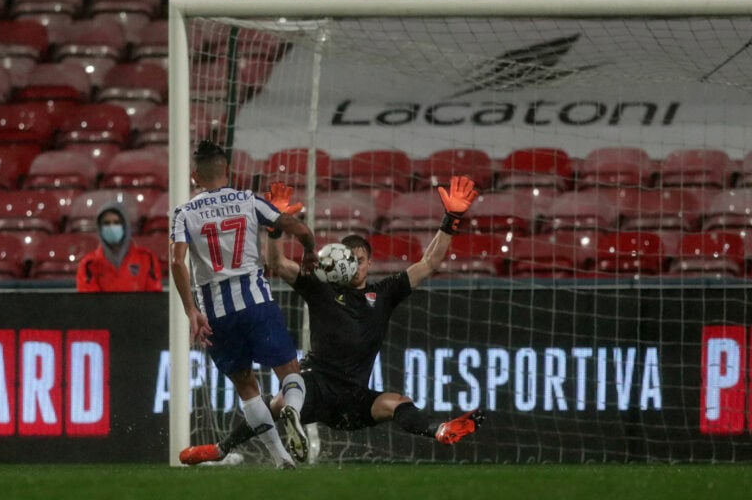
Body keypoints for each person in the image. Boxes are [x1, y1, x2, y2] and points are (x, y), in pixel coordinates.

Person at [179, 176, 485, 466]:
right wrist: (275, 229)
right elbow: (277, 263)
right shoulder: (321, 289)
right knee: (280, 403)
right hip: (317, 385)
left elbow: (428, 263)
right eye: (348, 260)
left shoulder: (385, 293)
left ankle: (441, 429)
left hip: (354, 398)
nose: (354, 267)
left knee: (397, 402)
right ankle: (223, 449)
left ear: (370, 262)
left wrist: (451, 220)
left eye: (360, 260)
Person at [170, 140, 319, 469]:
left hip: (217, 313)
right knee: (290, 373)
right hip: (256, 302)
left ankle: (280, 459)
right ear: (228, 171)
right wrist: (308, 248)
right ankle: (292, 409)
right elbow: (298, 228)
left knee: (246, 386)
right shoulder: (249, 200)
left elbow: (177, 263)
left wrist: (191, 311)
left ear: (195, 175)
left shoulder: (184, 213)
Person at [76, 202, 163, 292]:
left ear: (126, 226)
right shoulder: (88, 264)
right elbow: (88, 302)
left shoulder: (147, 259)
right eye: (106, 223)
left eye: (116, 222)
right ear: (99, 228)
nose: (111, 227)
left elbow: (154, 300)